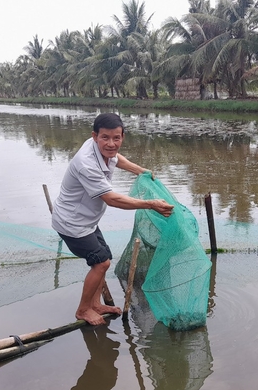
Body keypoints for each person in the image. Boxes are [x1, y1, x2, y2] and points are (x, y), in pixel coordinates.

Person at [52, 113, 173, 325]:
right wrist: (151, 204)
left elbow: (116, 158)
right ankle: (83, 310)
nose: (111, 143)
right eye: (105, 138)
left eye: (116, 138)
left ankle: (96, 304)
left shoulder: (104, 149)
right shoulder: (86, 163)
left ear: (123, 136)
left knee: (103, 258)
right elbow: (112, 199)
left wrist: (141, 171)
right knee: (101, 262)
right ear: (94, 136)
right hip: (72, 223)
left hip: (87, 221)